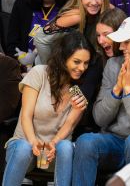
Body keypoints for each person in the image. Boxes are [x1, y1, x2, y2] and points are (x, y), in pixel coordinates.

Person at [2, 31, 91, 186]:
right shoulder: (40, 73)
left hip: (52, 153)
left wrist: (54, 143)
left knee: (66, 146)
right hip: (25, 147)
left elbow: (69, 126)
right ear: (63, 58)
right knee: (23, 147)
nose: (81, 68)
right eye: (76, 61)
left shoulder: (77, 91)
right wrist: (33, 142)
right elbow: (26, 116)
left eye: (86, 63)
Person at [72, 14, 130, 186]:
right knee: (85, 142)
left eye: (127, 42)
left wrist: (129, 88)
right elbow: (100, 119)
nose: (120, 47)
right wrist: (117, 89)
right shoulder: (113, 65)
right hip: (113, 141)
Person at [6, 0, 78, 71]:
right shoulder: (23, 2)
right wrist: (22, 66)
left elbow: (72, 50)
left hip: (57, 72)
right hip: (23, 71)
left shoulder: (69, 8)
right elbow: (11, 44)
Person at [34, 0, 110, 64]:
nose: (94, 3)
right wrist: (51, 70)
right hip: (53, 68)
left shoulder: (107, 11)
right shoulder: (76, 16)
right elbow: (40, 39)